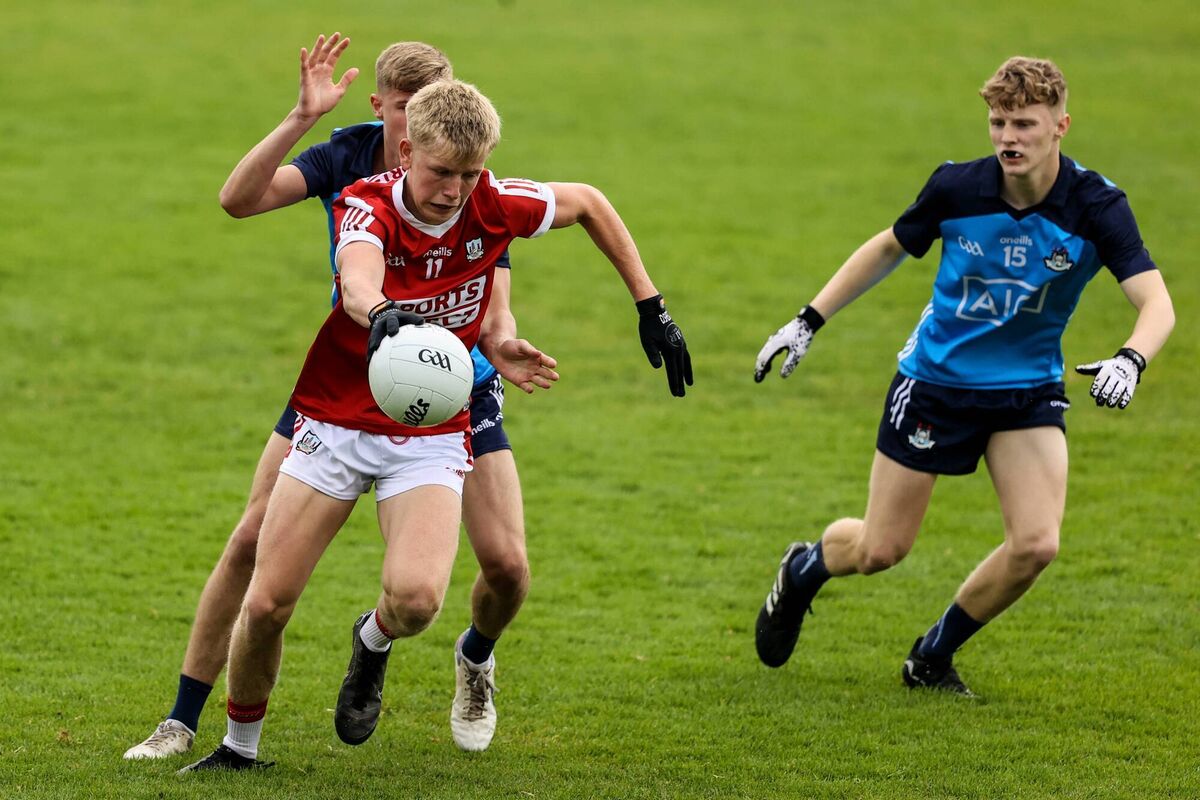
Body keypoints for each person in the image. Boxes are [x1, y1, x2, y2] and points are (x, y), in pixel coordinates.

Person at [126, 35, 691, 761]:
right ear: (400, 145)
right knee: (265, 595)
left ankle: (380, 640)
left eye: (468, 173)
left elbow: (587, 202)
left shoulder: (490, 202)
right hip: (333, 415)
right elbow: (356, 272)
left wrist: (650, 305)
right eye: (441, 172)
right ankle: (231, 742)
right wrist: (379, 311)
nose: (454, 189)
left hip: (434, 422)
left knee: (431, 596)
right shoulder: (362, 198)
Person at [751, 56, 1174, 696]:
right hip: (935, 385)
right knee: (880, 551)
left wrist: (1130, 358)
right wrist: (809, 320)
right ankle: (806, 567)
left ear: (1061, 126)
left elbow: (1157, 302)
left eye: (1024, 124)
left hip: (1025, 392)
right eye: (999, 122)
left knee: (1035, 544)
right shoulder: (958, 188)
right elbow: (890, 245)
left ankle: (931, 657)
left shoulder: (1095, 206)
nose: (1009, 137)